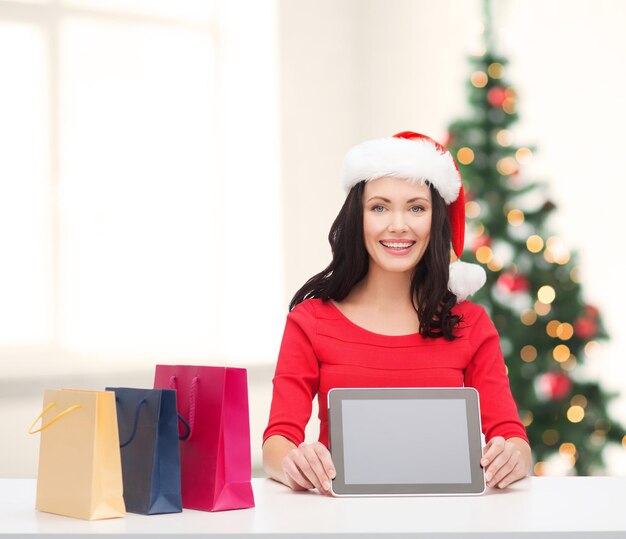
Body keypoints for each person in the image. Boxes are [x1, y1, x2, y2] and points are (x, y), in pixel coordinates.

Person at [262, 131, 532, 496]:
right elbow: (278, 442)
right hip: (340, 518)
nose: (398, 225)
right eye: (379, 207)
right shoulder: (310, 321)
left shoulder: (472, 325)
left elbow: (513, 438)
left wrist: (512, 457)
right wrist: (294, 464)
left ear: (436, 220)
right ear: (358, 217)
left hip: (448, 519)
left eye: (416, 207)